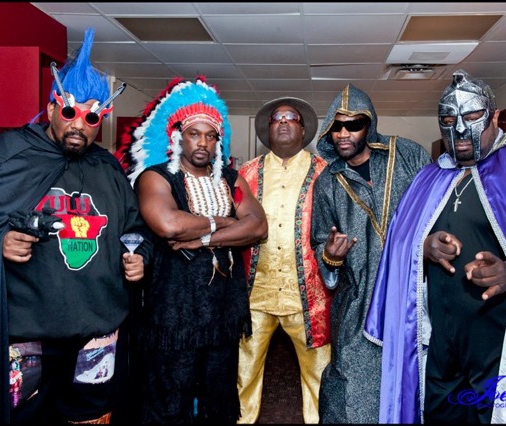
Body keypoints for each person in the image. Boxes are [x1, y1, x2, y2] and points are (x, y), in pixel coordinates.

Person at [364, 69, 506, 424]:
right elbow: (399, 243)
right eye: (447, 121)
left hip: (502, 340)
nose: (459, 130)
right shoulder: (429, 177)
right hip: (441, 341)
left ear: (495, 117)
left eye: (472, 117)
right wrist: (423, 248)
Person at [0, 28, 153, 424]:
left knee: (91, 417)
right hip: (27, 335)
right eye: (69, 112)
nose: (79, 124)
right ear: (50, 109)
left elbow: (135, 229)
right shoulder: (10, 154)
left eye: (91, 116)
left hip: (97, 332)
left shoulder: (108, 169)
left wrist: (141, 256)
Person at [119, 76, 268, 424]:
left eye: (211, 135)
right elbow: (169, 225)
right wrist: (226, 222)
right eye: (194, 134)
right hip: (174, 312)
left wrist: (202, 238)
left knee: (219, 398)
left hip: (222, 311)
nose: (203, 142)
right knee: (169, 400)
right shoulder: (156, 177)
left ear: (219, 141)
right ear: (178, 137)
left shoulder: (230, 179)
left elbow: (258, 226)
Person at [310, 83, 432, 423]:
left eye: (353, 124)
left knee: (415, 378)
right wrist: (331, 257)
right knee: (350, 384)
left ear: (370, 124)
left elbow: (436, 207)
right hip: (359, 301)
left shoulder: (406, 155)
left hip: (415, 293)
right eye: (336, 126)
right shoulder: (327, 182)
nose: (343, 134)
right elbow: (319, 240)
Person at [237, 97, 331, 424]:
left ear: (304, 130)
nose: (283, 122)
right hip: (255, 293)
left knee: (319, 376)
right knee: (243, 373)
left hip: (308, 296)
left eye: (292, 117)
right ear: (268, 130)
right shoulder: (245, 174)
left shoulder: (326, 173)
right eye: (277, 118)